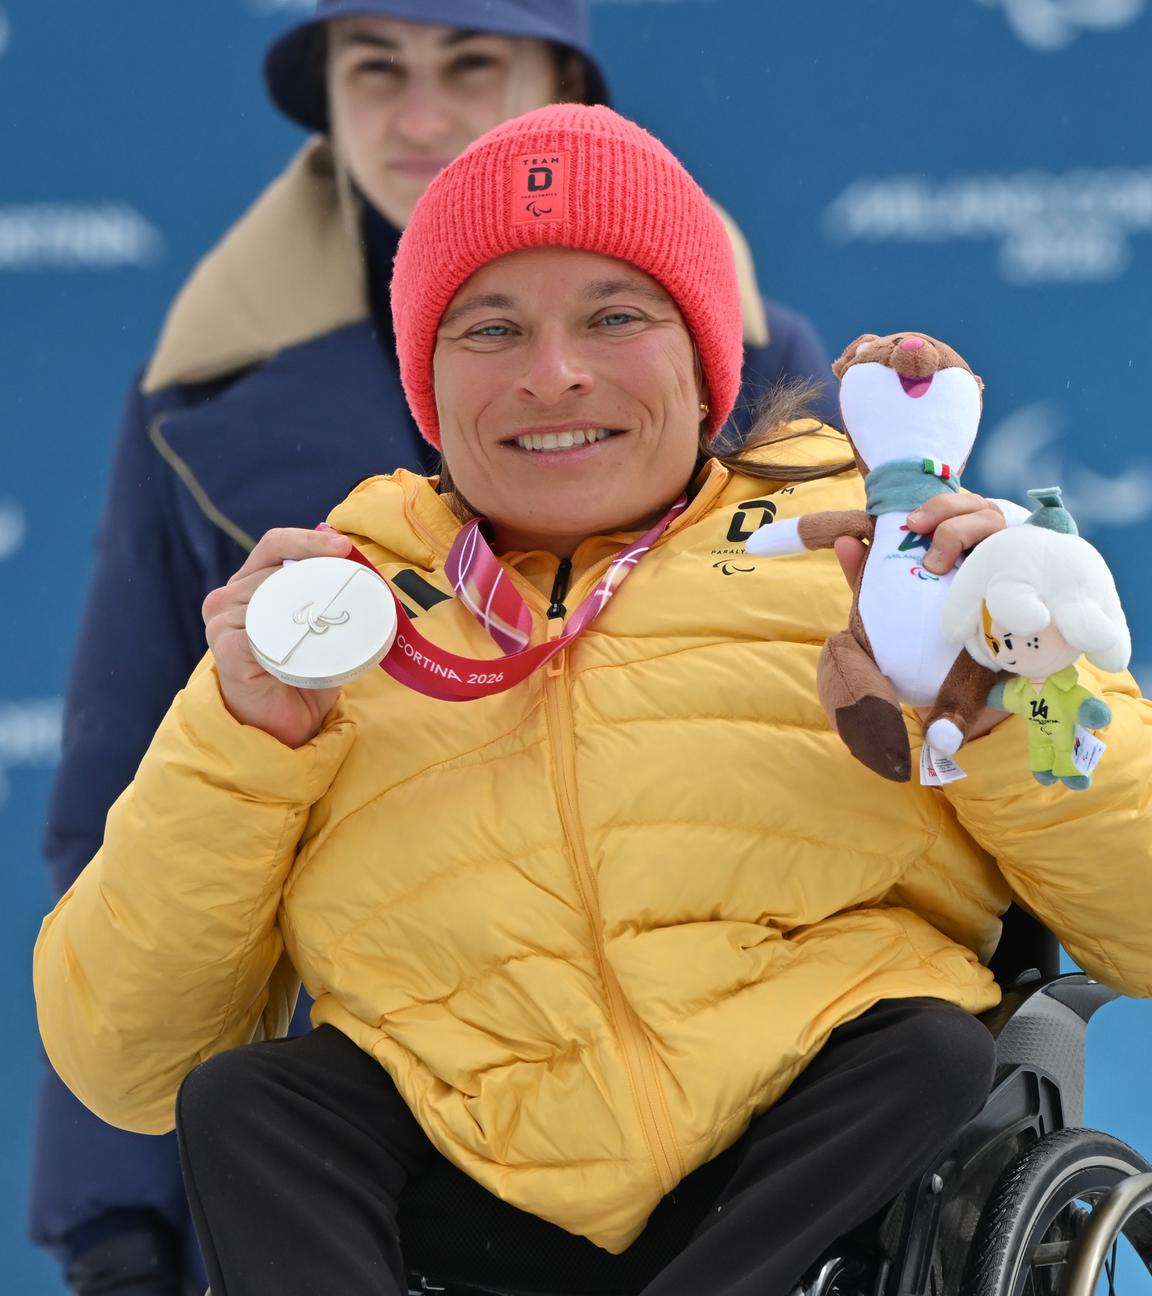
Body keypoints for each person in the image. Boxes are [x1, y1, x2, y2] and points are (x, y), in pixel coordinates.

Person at [34, 104, 1152, 1296]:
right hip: (471, 1182)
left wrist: (1005, 700)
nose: (552, 372)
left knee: (929, 1050)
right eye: (491, 327)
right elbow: (127, 1066)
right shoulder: (330, 610)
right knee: (251, 1102)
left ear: (702, 355)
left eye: (615, 317)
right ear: (430, 380)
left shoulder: (887, 565)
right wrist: (248, 738)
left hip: (807, 1192)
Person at [29, 4, 838, 1291]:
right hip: (368, 1115)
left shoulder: (760, 362)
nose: (417, 117)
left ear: (559, 77)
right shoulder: (194, 402)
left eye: (468, 64)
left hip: (729, 1090)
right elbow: (127, 802)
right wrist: (111, 1222)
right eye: (374, 69)